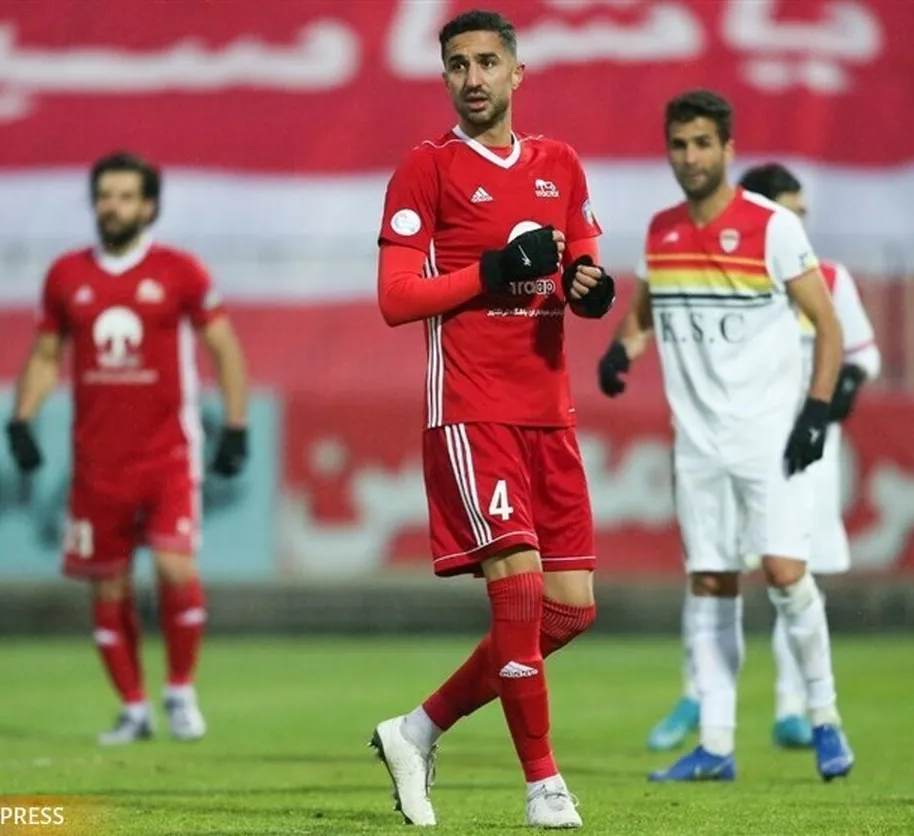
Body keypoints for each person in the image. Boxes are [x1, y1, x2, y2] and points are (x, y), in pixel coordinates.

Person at [369, 9, 614, 829]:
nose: (472, 78)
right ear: (444, 76)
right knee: (520, 592)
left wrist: (591, 288)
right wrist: (495, 268)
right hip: (472, 412)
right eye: (457, 65)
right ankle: (544, 785)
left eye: (485, 62)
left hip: (550, 413)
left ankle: (416, 730)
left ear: (517, 73)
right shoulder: (426, 169)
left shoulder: (560, 164)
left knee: (570, 609)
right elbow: (396, 298)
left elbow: (582, 263)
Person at [597, 90, 855, 782]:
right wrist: (621, 350)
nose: (690, 157)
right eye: (679, 144)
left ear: (727, 149)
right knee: (711, 581)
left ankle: (825, 717)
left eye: (702, 144)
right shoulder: (661, 231)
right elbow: (644, 312)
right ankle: (716, 744)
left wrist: (815, 410)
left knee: (785, 574)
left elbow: (827, 324)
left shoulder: (772, 228)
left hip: (768, 437)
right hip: (697, 443)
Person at [5, 151, 250, 746]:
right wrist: (22, 418)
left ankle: (180, 691)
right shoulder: (66, 276)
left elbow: (223, 347)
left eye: (124, 197)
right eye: (104, 196)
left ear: (148, 206)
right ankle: (134, 708)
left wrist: (236, 426)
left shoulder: (180, 272)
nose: (111, 207)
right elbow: (46, 355)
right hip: (97, 463)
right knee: (108, 585)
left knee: (173, 565)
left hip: (168, 453)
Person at [639, 163, 880, 753]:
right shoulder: (723, 271)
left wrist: (840, 391)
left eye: (802, 214)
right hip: (735, 443)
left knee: (792, 570)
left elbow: (860, 351)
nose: (799, 225)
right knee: (711, 570)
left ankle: (794, 708)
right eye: (790, 214)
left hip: (806, 452)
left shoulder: (828, 278)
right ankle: (699, 698)